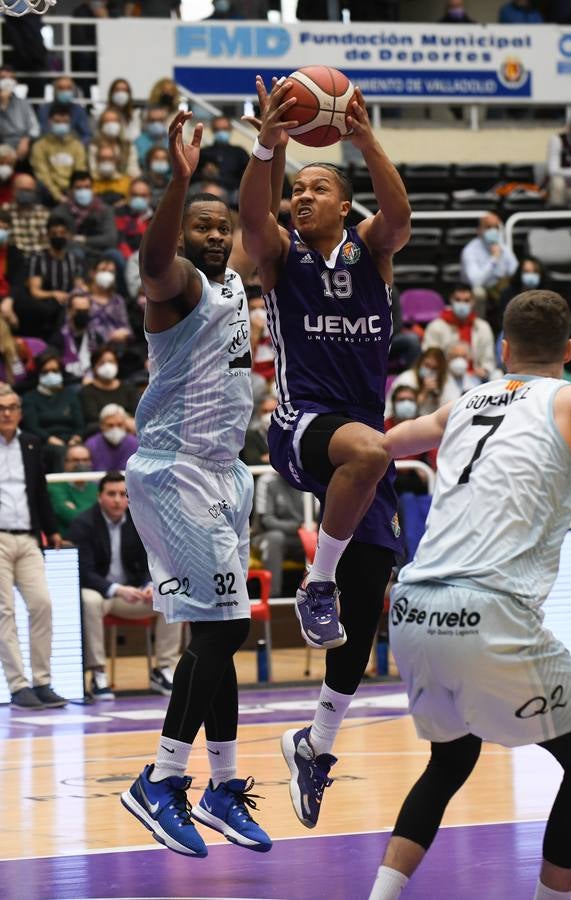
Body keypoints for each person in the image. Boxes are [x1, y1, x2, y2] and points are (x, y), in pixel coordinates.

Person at [238, 76, 410, 827]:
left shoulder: (372, 251)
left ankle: (316, 742)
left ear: (345, 204)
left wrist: (365, 139)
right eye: (295, 190)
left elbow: (398, 218)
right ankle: (315, 586)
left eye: (316, 189)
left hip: (359, 436)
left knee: (367, 601)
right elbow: (252, 218)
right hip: (303, 425)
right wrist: (268, 145)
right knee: (370, 453)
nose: (300, 198)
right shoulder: (281, 257)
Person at [368, 289, 571, 900]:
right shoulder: (568, 400)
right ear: (568, 351)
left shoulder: (464, 402)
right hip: (488, 610)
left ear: (504, 349)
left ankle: (381, 895)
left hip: (411, 608)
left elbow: (385, 444)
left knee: (451, 760)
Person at [121, 109, 272, 857]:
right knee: (221, 629)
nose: (216, 235)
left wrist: (266, 148)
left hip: (224, 473)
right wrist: (177, 184)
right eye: (201, 226)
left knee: (222, 632)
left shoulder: (237, 282)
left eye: (223, 227)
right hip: (175, 470)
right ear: (183, 234)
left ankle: (219, 784)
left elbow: (256, 213)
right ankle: (160, 780)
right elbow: (152, 264)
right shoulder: (174, 286)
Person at [68, 471, 181, 700]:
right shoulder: (83, 524)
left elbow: (154, 559)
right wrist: (117, 589)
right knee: (88, 601)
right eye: (111, 494)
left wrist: (150, 584)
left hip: (134, 594)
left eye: (123, 494)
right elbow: (83, 572)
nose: (118, 500)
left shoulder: (141, 520)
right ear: (100, 497)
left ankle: (164, 669)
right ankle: (98, 673)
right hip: (103, 594)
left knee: (171, 596)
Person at [0, 384, 66, 710]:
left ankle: (42, 681)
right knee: (4, 612)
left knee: (42, 605)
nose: (7, 413)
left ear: (21, 412)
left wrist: (52, 531)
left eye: (12, 407)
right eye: (1, 408)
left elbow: (40, 490)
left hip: (28, 537)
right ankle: (18, 685)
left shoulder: (30, 443)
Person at [421, 283, 497, 380]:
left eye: (466, 300)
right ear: (451, 300)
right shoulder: (435, 326)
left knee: (497, 375)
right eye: (458, 300)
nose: (462, 304)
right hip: (444, 377)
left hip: (475, 377)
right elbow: (429, 357)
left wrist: (485, 370)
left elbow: (488, 358)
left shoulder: (483, 327)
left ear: (473, 302)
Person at [26, 214, 84, 340]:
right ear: (47, 235)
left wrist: (74, 296)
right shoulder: (38, 259)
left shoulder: (74, 259)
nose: (58, 236)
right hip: (46, 302)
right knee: (50, 309)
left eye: (62, 233)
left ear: (68, 235)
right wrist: (53, 294)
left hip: (68, 300)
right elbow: (34, 291)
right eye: (54, 233)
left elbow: (79, 286)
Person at [460, 213, 518, 332]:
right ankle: (478, 329)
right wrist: (494, 259)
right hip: (475, 289)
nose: (493, 230)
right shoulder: (470, 250)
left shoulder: (502, 246)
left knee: (513, 288)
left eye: (495, 227)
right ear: (479, 230)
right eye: (488, 227)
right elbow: (476, 281)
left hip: (498, 288)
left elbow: (515, 270)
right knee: (478, 293)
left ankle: (511, 328)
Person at [253, 470, 305, 599]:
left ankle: (323, 597)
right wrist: (298, 527)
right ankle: (272, 599)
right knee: (275, 538)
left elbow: (318, 517)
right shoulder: (267, 480)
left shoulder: (308, 477)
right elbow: (267, 521)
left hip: (301, 539)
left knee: (324, 538)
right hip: (265, 535)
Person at [53, 171, 118, 268]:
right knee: (76, 254)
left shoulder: (105, 210)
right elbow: (63, 240)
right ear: (70, 190)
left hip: (101, 252)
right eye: (78, 188)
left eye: (87, 187)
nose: (83, 191)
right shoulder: (59, 213)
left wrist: (83, 240)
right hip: (74, 251)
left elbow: (111, 239)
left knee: (115, 255)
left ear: (93, 189)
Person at [30, 104, 87, 206]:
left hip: (72, 191)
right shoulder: (39, 146)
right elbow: (43, 174)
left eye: (65, 122)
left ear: (70, 123)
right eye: (57, 121)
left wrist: (72, 193)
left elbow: (79, 171)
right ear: (49, 122)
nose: (61, 124)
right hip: (48, 191)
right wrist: (58, 196)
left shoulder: (77, 146)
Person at [79, 343, 138, 434]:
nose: (108, 366)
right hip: (100, 433)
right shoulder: (87, 391)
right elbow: (92, 419)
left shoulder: (128, 388)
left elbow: (137, 413)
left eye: (111, 362)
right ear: (94, 367)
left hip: (129, 433)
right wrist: (122, 421)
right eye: (102, 363)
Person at [385, 347, 459, 419]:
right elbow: (398, 410)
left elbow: (453, 408)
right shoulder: (407, 378)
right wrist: (423, 393)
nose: (429, 371)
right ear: (420, 362)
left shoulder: (446, 381)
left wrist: (437, 398)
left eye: (434, 368)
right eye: (427, 365)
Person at [48, 442, 97, 536]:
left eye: (85, 460)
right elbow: (70, 516)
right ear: (65, 463)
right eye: (76, 460)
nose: (81, 464)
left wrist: (76, 509)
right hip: (66, 543)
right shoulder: (54, 486)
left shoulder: (96, 488)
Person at [198, 116, 250, 194]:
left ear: (230, 129)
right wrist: (204, 173)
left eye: (225, 129)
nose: (221, 132)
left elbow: (248, 176)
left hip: (233, 190)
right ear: (213, 130)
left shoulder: (239, 152)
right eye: (218, 129)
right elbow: (192, 176)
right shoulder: (203, 153)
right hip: (206, 188)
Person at [4, 173, 50, 258]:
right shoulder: (4, 212)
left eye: (29, 190)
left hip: (39, 260)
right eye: (22, 190)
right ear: (13, 190)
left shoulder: (45, 213)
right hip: (14, 260)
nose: (26, 193)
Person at [0, 65, 39, 162]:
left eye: (11, 78)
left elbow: (34, 127)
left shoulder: (23, 103)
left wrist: (25, 140)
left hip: (22, 142)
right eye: (3, 78)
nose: (7, 81)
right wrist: (3, 105)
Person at [37, 76, 91, 145]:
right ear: (54, 90)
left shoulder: (79, 110)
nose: (65, 91)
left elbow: (86, 135)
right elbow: (42, 134)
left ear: (73, 91)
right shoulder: (44, 110)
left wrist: (76, 148)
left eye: (68, 88)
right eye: (61, 88)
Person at [85, 402, 138, 469]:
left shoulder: (134, 443)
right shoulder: (91, 444)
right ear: (102, 425)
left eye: (119, 425)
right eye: (110, 425)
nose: (115, 429)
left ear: (125, 425)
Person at [114, 178, 153, 259]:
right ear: (129, 196)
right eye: (135, 195)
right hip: (128, 258)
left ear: (150, 197)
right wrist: (132, 259)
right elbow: (121, 240)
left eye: (143, 196)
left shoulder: (157, 215)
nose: (138, 199)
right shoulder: (120, 213)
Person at [547, 111, 571, 209]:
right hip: (563, 186)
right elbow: (552, 170)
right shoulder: (558, 140)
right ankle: (557, 220)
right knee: (557, 182)